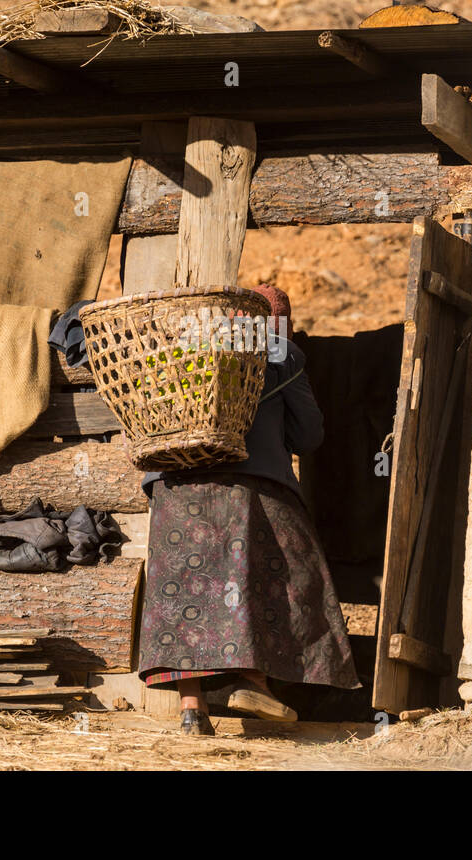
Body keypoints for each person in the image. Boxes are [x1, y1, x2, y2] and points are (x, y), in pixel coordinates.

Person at [137, 284, 361, 735]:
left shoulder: (179, 352)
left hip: (175, 492)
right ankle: (253, 679)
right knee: (276, 576)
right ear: (276, 322)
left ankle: (192, 710)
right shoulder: (281, 354)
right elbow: (310, 437)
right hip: (252, 488)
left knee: (187, 596)